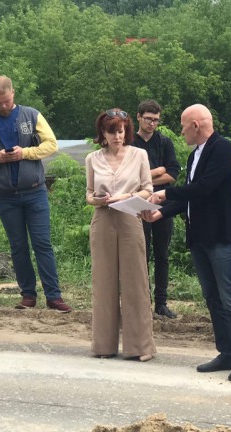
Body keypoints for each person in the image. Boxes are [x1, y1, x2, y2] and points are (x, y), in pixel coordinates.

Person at [143, 104, 231, 382]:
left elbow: (203, 189)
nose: (181, 131)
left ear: (195, 125)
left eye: (183, 126)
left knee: (230, 298)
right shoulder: (196, 154)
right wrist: (162, 212)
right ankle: (227, 353)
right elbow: (189, 197)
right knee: (213, 298)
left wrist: (163, 194)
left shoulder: (222, 149)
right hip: (200, 237)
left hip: (220, 236)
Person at [0, 75, 71, 313]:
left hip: (35, 191)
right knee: (18, 246)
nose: (3, 106)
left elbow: (51, 144)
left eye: (6, 101)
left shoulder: (32, 115)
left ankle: (53, 296)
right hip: (4, 195)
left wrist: (24, 153)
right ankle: (27, 295)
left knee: (42, 243)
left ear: (13, 94)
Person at [86, 109, 156, 361]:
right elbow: (89, 193)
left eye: (121, 130)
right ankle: (103, 345)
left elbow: (148, 189)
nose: (118, 136)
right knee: (103, 282)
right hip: (103, 219)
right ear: (102, 134)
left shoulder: (139, 155)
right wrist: (98, 199)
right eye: (112, 131)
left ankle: (141, 347)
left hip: (129, 217)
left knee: (135, 282)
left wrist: (126, 196)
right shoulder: (93, 158)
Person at [131, 99, 181, 319]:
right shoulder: (130, 142)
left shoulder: (164, 142)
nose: (152, 124)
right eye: (149, 119)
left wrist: (150, 175)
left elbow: (173, 173)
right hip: (137, 202)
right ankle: (143, 301)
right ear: (139, 117)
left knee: (162, 254)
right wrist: (156, 172)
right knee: (142, 253)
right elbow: (128, 175)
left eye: (156, 120)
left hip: (162, 201)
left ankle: (161, 303)